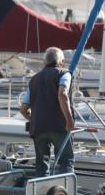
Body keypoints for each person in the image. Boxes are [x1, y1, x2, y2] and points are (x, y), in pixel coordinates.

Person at [20, 47, 76, 176]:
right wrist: (69, 121)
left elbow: (23, 109)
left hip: (39, 128)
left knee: (41, 165)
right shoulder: (64, 74)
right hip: (60, 127)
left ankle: (41, 188)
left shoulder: (34, 80)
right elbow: (62, 94)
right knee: (65, 161)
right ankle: (64, 187)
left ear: (45, 62)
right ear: (62, 62)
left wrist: (34, 119)